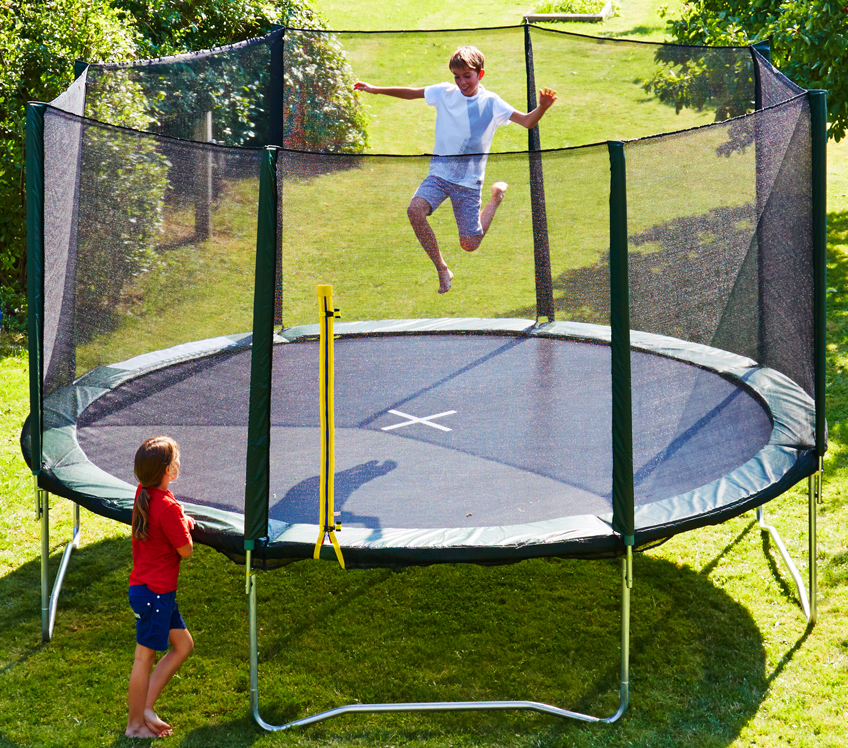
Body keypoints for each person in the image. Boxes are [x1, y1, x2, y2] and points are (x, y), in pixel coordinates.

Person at [354, 45, 557, 293]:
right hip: (439, 174)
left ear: (480, 74)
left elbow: (526, 122)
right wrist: (375, 89)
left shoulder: (491, 102)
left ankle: (496, 197)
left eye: (467, 76)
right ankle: (441, 268)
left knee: (470, 244)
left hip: (469, 182)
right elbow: (411, 93)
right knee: (414, 211)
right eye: (456, 77)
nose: (461, 82)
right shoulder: (444, 92)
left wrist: (543, 107)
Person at [125, 436, 195, 738]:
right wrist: (185, 524)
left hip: (151, 591)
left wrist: (182, 521)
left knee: (183, 646)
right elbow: (185, 550)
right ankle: (135, 726)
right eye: (175, 460)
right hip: (155, 594)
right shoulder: (166, 507)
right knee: (144, 658)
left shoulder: (144, 493)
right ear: (168, 470)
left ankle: (146, 709)